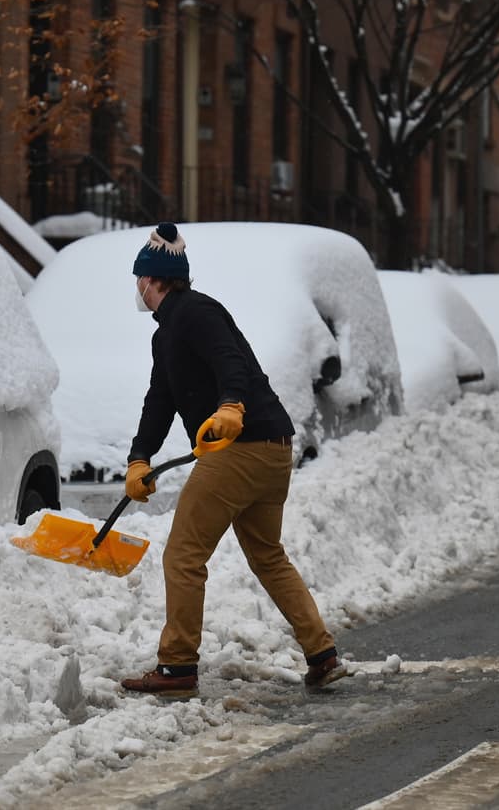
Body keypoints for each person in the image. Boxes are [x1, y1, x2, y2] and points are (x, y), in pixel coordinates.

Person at [119, 222, 347, 696]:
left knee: (184, 554)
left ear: (153, 279)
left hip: (240, 448)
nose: (137, 287)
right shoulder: (168, 333)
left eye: (140, 278)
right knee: (268, 556)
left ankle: (177, 665)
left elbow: (231, 362)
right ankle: (322, 654)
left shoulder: (196, 312)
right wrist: (139, 458)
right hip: (273, 449)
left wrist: (230, 406)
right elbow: (159, 400)